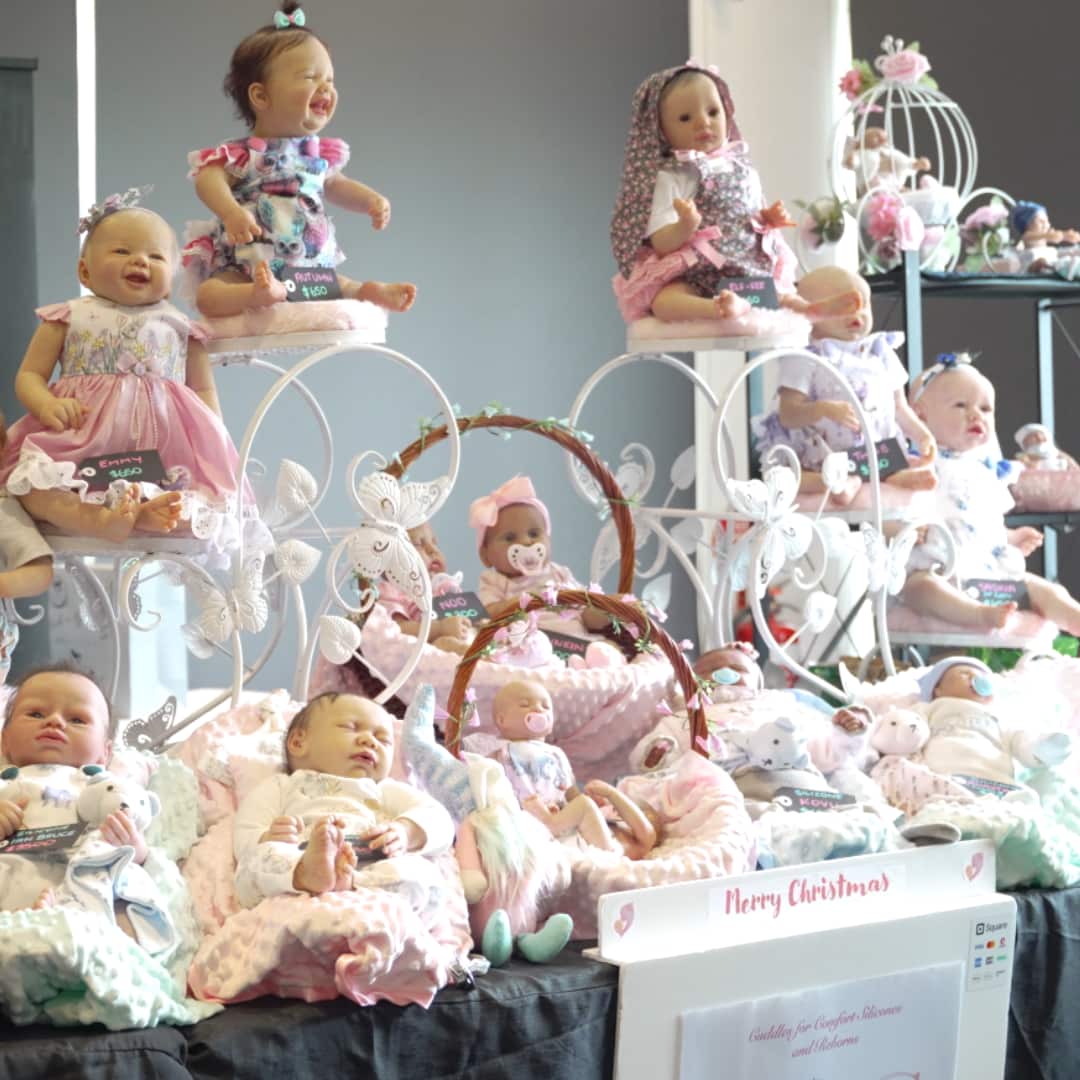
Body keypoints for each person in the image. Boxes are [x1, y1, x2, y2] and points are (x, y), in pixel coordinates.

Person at [0, 190, 249, 550]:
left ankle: (144, 514)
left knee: (197, 496)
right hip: (81, 442)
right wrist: (45, 404)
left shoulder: (182, 328)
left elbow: (203, 389)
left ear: (172, 279)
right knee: (32, 486)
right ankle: (97, 519)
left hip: (164, 448)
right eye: (121, 251)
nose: (140, 261)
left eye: (156, 256)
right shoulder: (68, 316)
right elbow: (29, 375)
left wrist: (212, 433)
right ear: (84, 271)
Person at [183, 2, 416, 318]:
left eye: (330, 79)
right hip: (247, 262)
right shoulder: (246, 154)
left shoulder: (315, 156)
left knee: (333, 284)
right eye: (310, 77)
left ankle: (362, 291)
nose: (326, 88)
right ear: (261, 96)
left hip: (305, 265)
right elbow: (208, 179)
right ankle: (254, 294)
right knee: (208, 296)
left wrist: (371, 201)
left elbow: (336, 184)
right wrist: (231, 212)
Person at [609, 61, 859, 324]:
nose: (703, 122)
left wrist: (767, 218)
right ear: (660, 130)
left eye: (713, 112)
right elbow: (660, 242)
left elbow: (747, 213)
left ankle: (804, 308)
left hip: (744, 265)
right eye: (685, 118)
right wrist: (684, 226)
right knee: (663, 301)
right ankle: (716, 308)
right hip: (695, 270)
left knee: (774, 292)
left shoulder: (739, 165)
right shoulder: (673, 176)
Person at [232, 692, 453, 915]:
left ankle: (349, 881)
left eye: (383, 739)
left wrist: (405, 832)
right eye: (351, 727)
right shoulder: (282, 785)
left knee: (425, 876)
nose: (370, 741)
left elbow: (439, 819)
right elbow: (246, 830)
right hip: (299, 857)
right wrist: (268, 837)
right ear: (299, 742)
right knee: (255, 865)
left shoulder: (383, 788)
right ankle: (309, 873)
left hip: (369, 865)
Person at [903, 355, 1080, 632]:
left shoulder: (985, 472)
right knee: (919, 588)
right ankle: (978, 615)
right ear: (921, 414)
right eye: (960, 405)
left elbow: (984, 521)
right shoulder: (916, 465)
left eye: (986, 409)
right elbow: (891, 510)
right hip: (938, 565)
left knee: (1047, 590)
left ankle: (1073, 617)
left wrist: (1010, 537)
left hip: (986, 571)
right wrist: (903, 529)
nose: (976, 415)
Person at [752, 266, 937, 506]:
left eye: (864, 304)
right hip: (820, 456)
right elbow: (789, 414)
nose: (857, 313)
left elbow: (900, 408)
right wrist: (823, 409)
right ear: (811, 313)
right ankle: (830, 482)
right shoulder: (807, 356)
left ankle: (895, 475)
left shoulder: (880, 352)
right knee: (787, 476)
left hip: (874, 454)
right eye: (844, 306)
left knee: (895, 459)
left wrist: (922, 435)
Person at [0, 664, 159, 939]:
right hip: (11, 876)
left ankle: (72, 929)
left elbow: (143, 858)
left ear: (104, 753)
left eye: (77, 720)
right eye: (36, 713)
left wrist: (133, 846)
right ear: (4, 741)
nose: (54, 721)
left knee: (120, 884)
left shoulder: (104, 790)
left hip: (77, 880)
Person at [470, 475, 609, 636]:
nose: (526, 542)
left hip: (575, 642)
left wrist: (600, 612)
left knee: (603, 639)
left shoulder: (558, 573)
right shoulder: (494, 581)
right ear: (485, 556)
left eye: (534, 534)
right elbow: (487, 615)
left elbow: (582, 606)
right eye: (510, 538)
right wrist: (519, 603)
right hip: (527, 644)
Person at [376, 522, 473, 654]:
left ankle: (484, 653)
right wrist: (439, 628)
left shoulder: (445, 586)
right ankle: (473, 656)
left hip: (468, 640)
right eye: (418, 544)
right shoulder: (394, 591)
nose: (433, 550)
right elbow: (397, 630)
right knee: (443, 643)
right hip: (425, 653)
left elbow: (470, 617)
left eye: (434, 542)